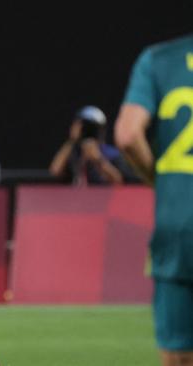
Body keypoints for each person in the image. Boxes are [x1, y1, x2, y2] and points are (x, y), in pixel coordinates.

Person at [114, 33, 193, 366]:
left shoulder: (160, 60)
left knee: (178, 354)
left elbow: (129, 135)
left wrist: (160, 180)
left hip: (179, 226)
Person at [49, 105, 138, 185]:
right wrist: (72, 140)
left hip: (101, 199)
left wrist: (98, 160)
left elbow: (118, 181)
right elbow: (55, 171)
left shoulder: (112, 154)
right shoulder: (73, 153)